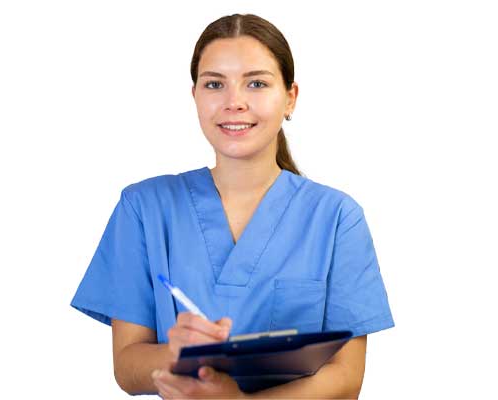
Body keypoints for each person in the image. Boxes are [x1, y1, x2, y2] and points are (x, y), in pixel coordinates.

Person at [70, 13, 394, 399]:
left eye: (256, 83)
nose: (234, 102)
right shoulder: (143, 208)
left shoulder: (337, 218)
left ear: (290, 98)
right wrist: (176, 353)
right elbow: (127, 366)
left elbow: (346, 378)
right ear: (195, 97)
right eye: (214, 84)